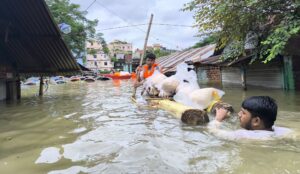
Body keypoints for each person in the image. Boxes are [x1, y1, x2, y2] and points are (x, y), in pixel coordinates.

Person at [209, 96, 292, 140]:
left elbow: (212, 132)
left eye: (243, 112)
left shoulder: (242, 135)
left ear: (256, 121)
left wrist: (218, 119)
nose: (239, 114)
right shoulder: (285, 132)